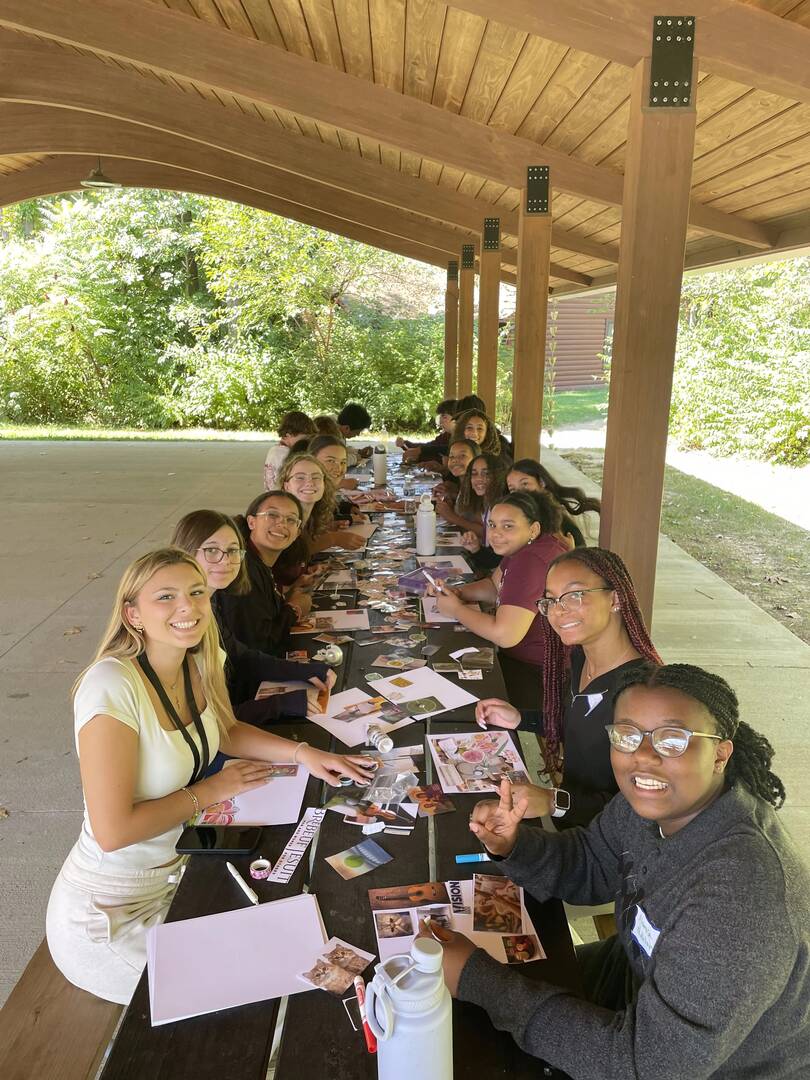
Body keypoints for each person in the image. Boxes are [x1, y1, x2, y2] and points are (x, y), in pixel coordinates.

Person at [427, 663, 810, 1079]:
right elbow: (592, 861)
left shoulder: (741, 900)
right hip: (635, 983)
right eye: (626, 735)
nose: (643, 757)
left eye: (673, 739)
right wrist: (514, 845)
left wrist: (479, 981)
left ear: (720, 752)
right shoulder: (649, 805)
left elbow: (646, 1067)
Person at [45, 548, 375, 1005]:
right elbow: (112, 831)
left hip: (179, 874)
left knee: (302, 947)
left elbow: (224, 729)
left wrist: (305, 753)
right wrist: (209, 791)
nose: (188, 607)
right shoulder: (111, 686)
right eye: (166, 597)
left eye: (196, 592)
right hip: (108, 913)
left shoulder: (198, 656)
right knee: (253, 996)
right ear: (132, 614)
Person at [476, 547, 661, 827]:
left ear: (615, 598)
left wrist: (553, 802)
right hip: (573, 833)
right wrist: (521, 718)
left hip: (613, 851)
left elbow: (641, 807)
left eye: (575, 595)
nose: (559, 612)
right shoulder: (580, 656)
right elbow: (580, 727)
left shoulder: (642, 695)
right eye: (550, 601)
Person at [170, 509, 335, 723]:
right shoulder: (181, 623)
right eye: (211, 550)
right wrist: (280, 704)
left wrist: (302, 670)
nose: (225, 560)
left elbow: (240, 656)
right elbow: (206, 725)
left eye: (232, 551)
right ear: (185, 552)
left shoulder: (209, 605)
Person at [431, 491, 568, 709]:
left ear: (534, 528)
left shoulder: (530, 561)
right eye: (492, 525)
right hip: (534, 664)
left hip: (539, 674)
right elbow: (495, 587)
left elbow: (505, 635)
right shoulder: (526, 546)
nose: (495, 534)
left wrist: (456, 610)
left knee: (452, 695)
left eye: (508, 526)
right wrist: (458, 593)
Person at [216, 491, 314, 653]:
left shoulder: (258, 562)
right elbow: (259, 644)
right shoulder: (243, 570)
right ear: (252, 522)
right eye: (272, 515)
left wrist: (289, 592)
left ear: (297, 532)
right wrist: (294, 609)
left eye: (290, 519)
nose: (282, 524)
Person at [507, 458, 601, 547]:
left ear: (542, 482)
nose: (520, 493)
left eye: (525, 484)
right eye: (513, 489)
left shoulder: (553, 517)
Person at [437, 452, 507, 539]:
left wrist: (452, 517)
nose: (479, 478)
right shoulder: (482, 499)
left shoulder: (503, 505)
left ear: (498, 476)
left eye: (486, 474)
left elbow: (487, 534)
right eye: (474, 474)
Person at [263, 411, 316, 490]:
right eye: (303, 439)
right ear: (288, 435)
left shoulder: (276, 450)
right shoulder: (283, 454)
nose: (307, 442)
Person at [398, 398, 458, 464]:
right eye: (440, 417)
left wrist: (420, 451)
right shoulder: (445, 436)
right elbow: (430, 446)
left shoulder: (463, 437)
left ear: (456, 417)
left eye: (444, 417)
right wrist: (405, 444)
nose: (440, 421)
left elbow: (446, 449)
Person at [432, 437, 481, 505]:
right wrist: (453, 493)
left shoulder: (479, 485)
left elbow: (477, 512)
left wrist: (449, 514)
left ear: (477, 460)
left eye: (462, 455)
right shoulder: (460, 483)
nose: (454, 460)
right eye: (451, 456)